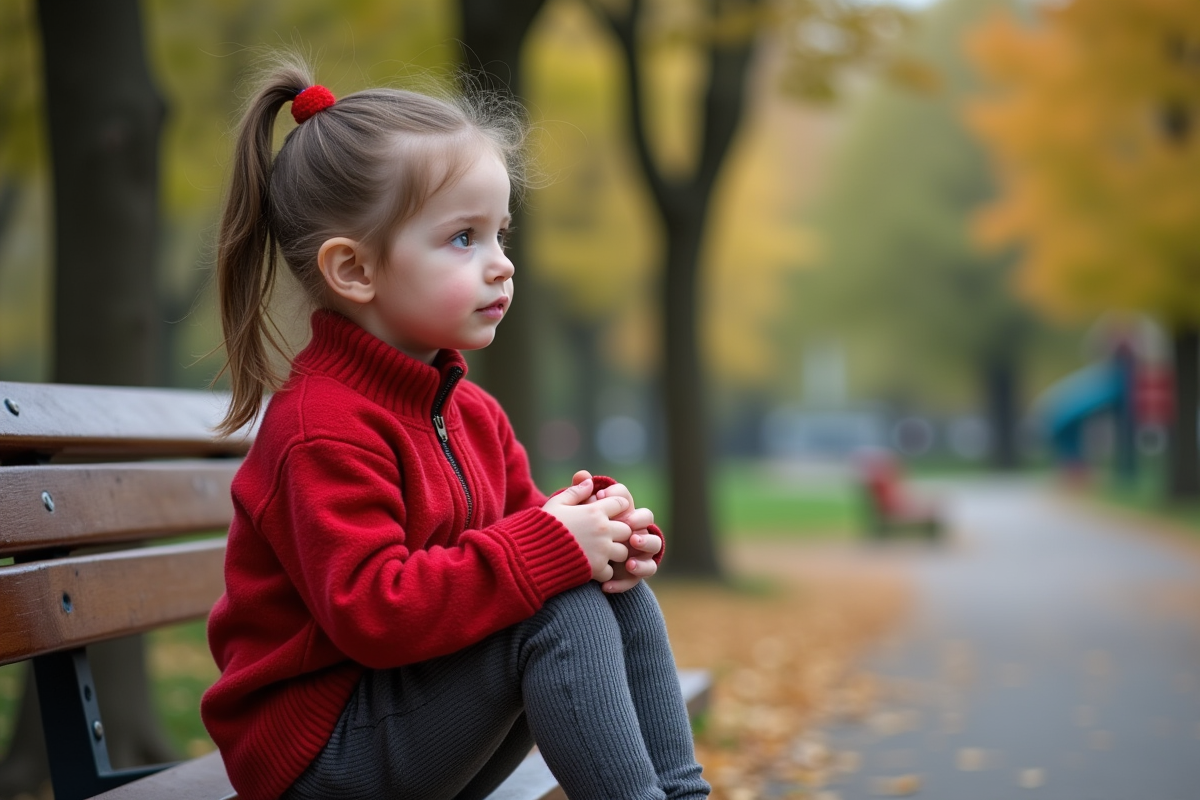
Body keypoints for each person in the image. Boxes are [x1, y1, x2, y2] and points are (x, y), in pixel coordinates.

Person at [199, 56, 709, 800]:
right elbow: (374, 612)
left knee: (602, 586)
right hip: (317, 758)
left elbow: (523, 529)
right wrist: (552, 548)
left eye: (501, 234)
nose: (502, 265)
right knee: (563, 602)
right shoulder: (321, 429)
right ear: (355, 270)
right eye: (463, 238)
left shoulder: (469, 411)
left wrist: (602, 528)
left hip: (405, 715)